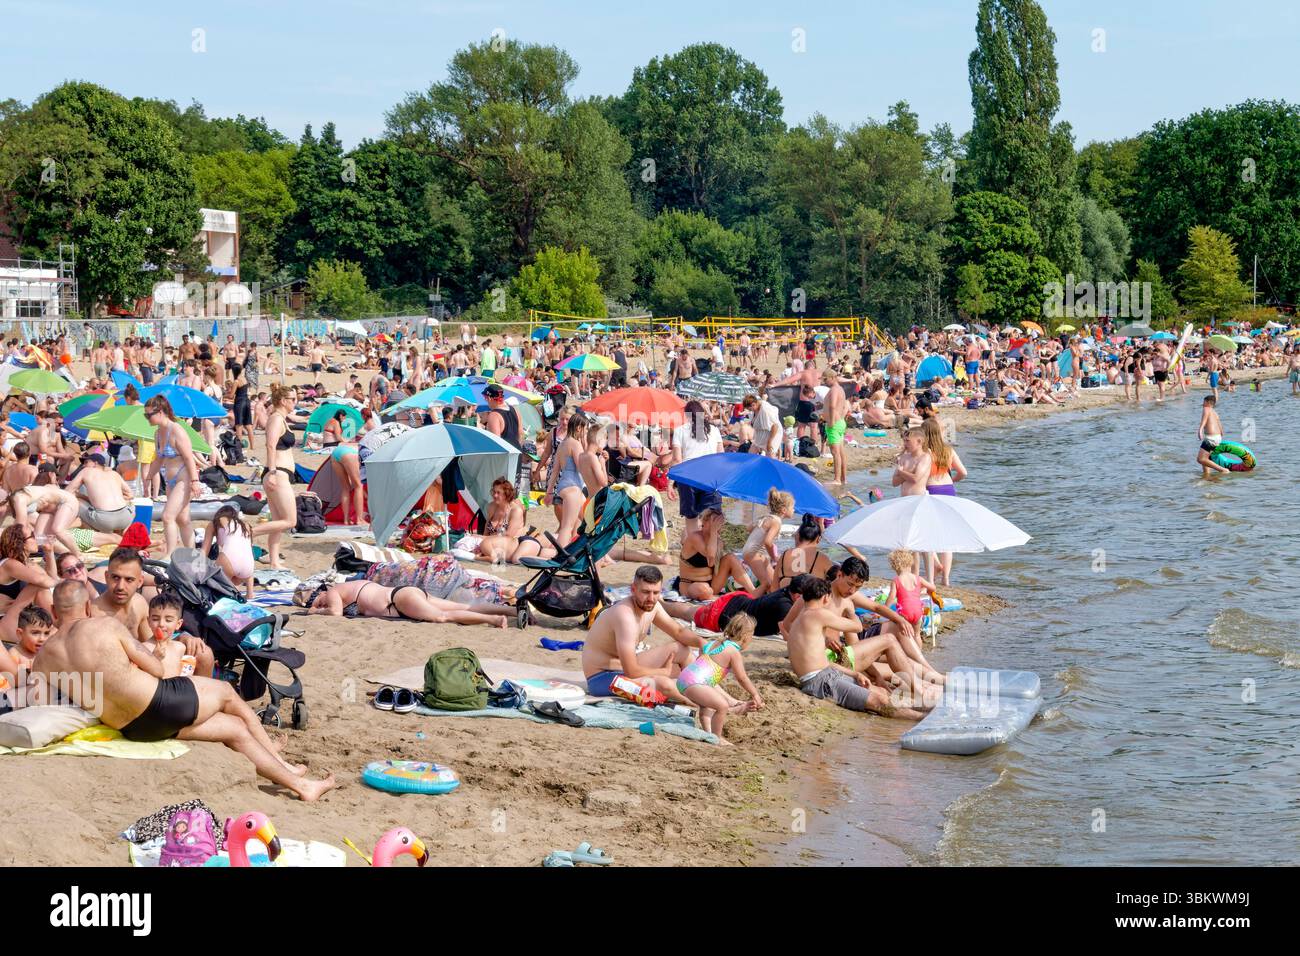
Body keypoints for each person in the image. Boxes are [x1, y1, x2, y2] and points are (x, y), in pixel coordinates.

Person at [32, 616, 334, 800]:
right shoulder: (105, 626)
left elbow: (42, 700)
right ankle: (280, 761)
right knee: (227, 692)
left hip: (134, 729)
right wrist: (160, 652)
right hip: (162, 702)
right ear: (84, 614)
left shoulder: (44, 658)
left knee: (235, 729)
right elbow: (157, 671)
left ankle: (300, 784)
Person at [785, 578, 927, 718]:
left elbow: (823, 663)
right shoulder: (818, 614)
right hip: (821, 683)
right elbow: (857, 627)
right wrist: (851, 611)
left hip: (823, 675)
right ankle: (924, 720)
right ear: (825, 597)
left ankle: (926, 712)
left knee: (881, 692)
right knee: (880, 701)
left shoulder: (801, 619)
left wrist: (855, 674)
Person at [582, 565, 702, 702]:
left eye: (656, 592)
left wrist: (702, 643)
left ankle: (723, 699)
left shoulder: (653, 606)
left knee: (682, 650)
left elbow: (678, 631)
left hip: (621, 666)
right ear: (633, 589)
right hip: (602, 678)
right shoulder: (625, 616)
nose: (651, 598)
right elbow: (631, 671)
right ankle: (697, 702)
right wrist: (664, 672)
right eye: (645, 592)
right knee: (664, 684)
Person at [675, 613, 763, 744]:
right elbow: (742, 678)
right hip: (695, 683)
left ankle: (707, 732)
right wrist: (755, 694)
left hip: (684, 678)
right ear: (746, 636)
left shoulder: (713, 643)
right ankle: (717, 737)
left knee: (707, 706)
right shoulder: (733, 651)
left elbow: (701, 657)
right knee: (722, 705)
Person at [295, 578, 511, 627]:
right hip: (402, 594)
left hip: (398, 600)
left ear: (319, 592)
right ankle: (510, 611)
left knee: (443, 617)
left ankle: (493, 619)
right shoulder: (345, 587)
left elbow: (335, 613)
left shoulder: (333, 592)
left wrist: (314, 613)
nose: (318, 604)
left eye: (315, 601)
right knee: (461, 607)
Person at [142, 395, 204, 556]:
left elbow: (189, 457)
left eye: (149, 415)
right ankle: (192, 554)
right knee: (182, 519)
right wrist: (148, 478)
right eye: (145, 415)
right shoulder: (158, 433)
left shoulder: (176, 430)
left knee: (168, 516)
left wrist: (195, 481)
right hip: (171, 481)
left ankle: (169, 555)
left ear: (161, 412)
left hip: (184, 477)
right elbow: (158, 459)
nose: (147, 418)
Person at [251, 385, 298, 569]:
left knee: (278, 521)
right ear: (283, 401)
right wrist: (271, 472)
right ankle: (249, 532)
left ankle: (274, 561)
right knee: (289, 521)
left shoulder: (282, 419)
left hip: (280, 473)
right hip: (276, 473)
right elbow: (270, 446)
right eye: (292, 399)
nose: (295, 402)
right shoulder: (276, 419)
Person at [676, 507, 755, 600]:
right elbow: (710, 555)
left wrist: (736, 568)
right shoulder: (694, 537)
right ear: (704, 522)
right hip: (691, 585)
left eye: (719, 521)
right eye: (714, 520)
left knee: (730, 558)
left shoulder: (718, 542)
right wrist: (713, 531)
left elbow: (712, 563)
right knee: (704, 590)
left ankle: (754, 593)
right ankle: (719, 598)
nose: (717, 524)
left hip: (712, 584)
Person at [670, 400, 723, 537]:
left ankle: (694, 550)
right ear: (702, 413)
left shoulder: (680, 430)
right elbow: (721, 456)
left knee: (691, 517)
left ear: (687, 415)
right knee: (711, 517)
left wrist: (670, 483)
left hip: (688, 475)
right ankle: (710, 549)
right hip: (711, 476)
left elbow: (677, 460)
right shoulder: (714, 430)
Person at [543, 413, 588, 547]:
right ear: (579, 428)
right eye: (585, 430)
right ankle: (560, 554)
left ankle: (578, 550)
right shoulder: (575, 444)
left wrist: (549, 492)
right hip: (573, 487)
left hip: (563, 485)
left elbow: (555, 471)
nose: (585, 433)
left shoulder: (562, 444)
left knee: (586, 523)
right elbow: (581, 468)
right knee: (567, 527)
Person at [65, 452, 135, 533]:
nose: (83, 465)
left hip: (103, 520)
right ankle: (122, 532)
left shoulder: (86, 471)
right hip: (126, 518)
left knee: (75, 501)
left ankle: (96, 533)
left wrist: (80, 495)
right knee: (130, 504)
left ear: (95, 463)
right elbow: (130, 495)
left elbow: (68, 492)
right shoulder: (114, 473)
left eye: (86, 462)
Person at [742, 489, 795, 590]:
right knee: (766, 584)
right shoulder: (776, 522)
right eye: (792, 507)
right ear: (784, 510)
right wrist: (774, 557)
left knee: (775, 582)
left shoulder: (767, 517)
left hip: (754, 553)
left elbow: (749, 528)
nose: (794, 510)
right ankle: (754, 603)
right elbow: (767, 542)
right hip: (754, 554)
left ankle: (772, 600)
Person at [203, 506, 256, 600]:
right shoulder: (245, 525)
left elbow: (204, 552)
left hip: (229, 562)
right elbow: (248, 550)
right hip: (248, 568)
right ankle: (250, 593)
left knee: (213, 576)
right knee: (245, 555)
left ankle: (226, 593)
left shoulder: (215, 522)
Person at [773, 513, 834, 588]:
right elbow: (834, 588)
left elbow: (774, 588)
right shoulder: (823, 559)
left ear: (797, 536)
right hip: (810, 598)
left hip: (784, 598)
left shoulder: (785, 555)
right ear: (818, 539)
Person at [475, 478, 526, 564]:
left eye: (498, 493)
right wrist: (481, 540)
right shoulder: (491, 506)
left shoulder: (515, 511)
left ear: (507, 494)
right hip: (491, 544)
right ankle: (489, 555)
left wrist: (483, 538)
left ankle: (490, 557)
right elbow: (486, 531)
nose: (495, 495)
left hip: (510, 546)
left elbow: (509, 536)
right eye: (494, 492)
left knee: (481, 541)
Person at [885, 549, 933, 631]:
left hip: (905, 612)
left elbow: (891, 598)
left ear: (895, 567)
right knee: (917, 634)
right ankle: (917, 644)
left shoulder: (896, 581)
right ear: (910, 563)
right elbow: (933, 587)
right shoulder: (918, 579)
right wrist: (927, 590)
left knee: (905, 633)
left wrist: (884, 608)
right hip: (918, 611)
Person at [821, 368, 848, 485]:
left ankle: (837, 480)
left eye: (825, 379)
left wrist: (831, 422)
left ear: (832, 378)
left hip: (834, 424)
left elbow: (832, 406)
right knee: (841, 453)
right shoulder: (840, 389)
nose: (824, 382)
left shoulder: (834, 390)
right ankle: (843, 479)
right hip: (840, 422)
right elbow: (843, 406)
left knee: (835, 452)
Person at [329, 438, 364, 526]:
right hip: (350, 453)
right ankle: (359, 520)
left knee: (345, 487)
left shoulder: (363, 441)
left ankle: (346, 519)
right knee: (359, 486)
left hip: (337, 451)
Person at [7, 605, 53, 671]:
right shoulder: (14, 656)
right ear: (20, 634)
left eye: (46, 633)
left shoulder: (46, 654)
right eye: (35, 633)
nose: (42, 639)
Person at [1196, 395, 1230, 477]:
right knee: (1206, 459)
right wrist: (1221, 435)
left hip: (1211, 438)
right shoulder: (1214, 412)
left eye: (1204, 402)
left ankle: (1223, 470)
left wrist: (1200, 430)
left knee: (1200, 459)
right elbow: (1220, 426)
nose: (1202, 404)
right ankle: (1207, 476)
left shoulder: (1206, 409)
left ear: (1208, 402)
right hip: (1217, 437)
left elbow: (1204, 419)